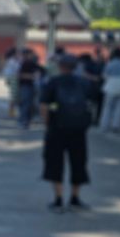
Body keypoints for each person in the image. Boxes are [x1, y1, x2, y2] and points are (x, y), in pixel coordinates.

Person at [40, 53, 93, 212]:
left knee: (55, 162)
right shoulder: (84, 82)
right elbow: (91, 102)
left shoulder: (53, 82)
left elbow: (44, 105)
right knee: (78, 162)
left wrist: (47, 123)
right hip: (78, 128)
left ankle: (58, 199)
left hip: (57, 127)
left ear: (60, 66)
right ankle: (75, 198)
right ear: (75, 67)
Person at [100, 47, 120, 132]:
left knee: (108, 107)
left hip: (111, 86)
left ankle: (104, 125)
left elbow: (104, 76)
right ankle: (116, 125)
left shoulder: (110, 64)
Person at [17, 48, 40, 128]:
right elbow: (20, 75)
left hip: (30, 85)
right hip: (25, 86)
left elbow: (40, 70)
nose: (33, 55)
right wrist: (33, 76)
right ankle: (23, 121)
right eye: (31, 54)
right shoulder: (24, 63)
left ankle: (26, 120)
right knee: (25, 104)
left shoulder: (31, 63)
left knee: (29, 104)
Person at [2, 47, 21, 118]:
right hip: (13, 78)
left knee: (14, 95)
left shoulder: (11, 60)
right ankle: (11, 112)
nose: (19, 54)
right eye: (18, 53)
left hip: (12, 78)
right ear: (14, 54)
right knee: (14, 95)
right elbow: (17, 69)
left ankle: (12, 111)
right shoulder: (12, 61)